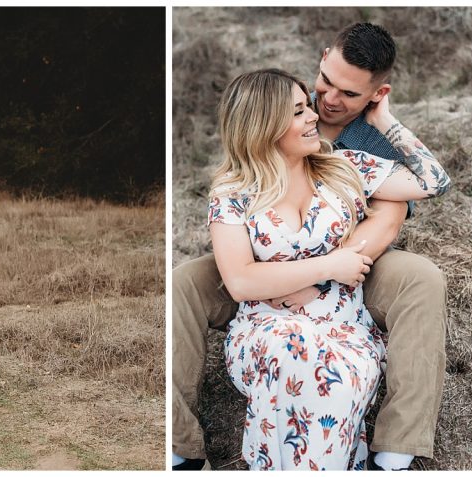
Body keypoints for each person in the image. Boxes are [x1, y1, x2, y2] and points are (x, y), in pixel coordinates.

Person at [172, 23, 449, 471]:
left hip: (351, 271)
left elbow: (406, 203)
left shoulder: (357, 152)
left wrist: (330, 272)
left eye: (350, 94)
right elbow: (241, 278)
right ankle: (178, 445)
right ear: (322, 61)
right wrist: (316, 271)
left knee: (419, 281)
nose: (323, 107)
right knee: (186, 282)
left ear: (375, 93)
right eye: (321, 90)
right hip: (270, 296)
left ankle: (395, 448)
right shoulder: (269, 116)